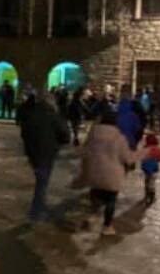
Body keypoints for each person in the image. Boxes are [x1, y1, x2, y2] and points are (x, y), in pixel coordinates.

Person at [80, 106, 138, 236]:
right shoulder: (119, 137)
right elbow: (126, 157)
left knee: (96, 196)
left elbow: (85, 151)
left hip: (94, 172)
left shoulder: (93, 134)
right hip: (112, 175)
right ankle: (107, 226)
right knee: (111, 200)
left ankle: (92, 217)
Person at [16, 89, 70, 222]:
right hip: (47, 153)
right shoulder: (52, 115)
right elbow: (65, 135)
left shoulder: (30, 114)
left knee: (41, 179)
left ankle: (40, 206)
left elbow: (23, 133)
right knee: (42, 182)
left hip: (32, 153)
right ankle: (36, 211)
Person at [141, 134, 160, 206]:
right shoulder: (157, 149)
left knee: (147, 180)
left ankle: (147, 193)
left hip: (146, 168)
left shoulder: (145, 148)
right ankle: (152, 195)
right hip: (154, 168)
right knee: (152, 181)